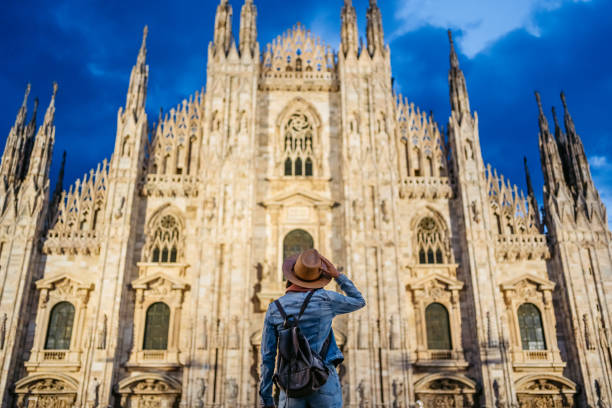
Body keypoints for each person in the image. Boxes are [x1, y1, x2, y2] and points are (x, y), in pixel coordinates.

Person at [259, 248, 366, 407]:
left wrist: (266, 398)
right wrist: (337, 275)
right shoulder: (326, 300)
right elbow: (359, 300)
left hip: (291, 385)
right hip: (323, 381)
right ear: (318, 278)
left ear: (292, 276)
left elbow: (267, 357)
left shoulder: (275, 308)